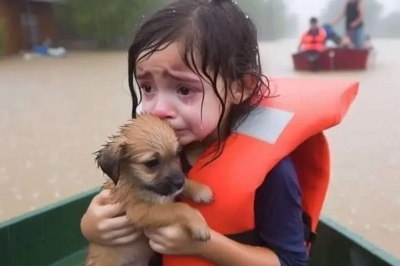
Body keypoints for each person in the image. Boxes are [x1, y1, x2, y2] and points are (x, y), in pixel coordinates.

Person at [80, 1, 358, 266]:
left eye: (184, 90)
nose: (159, 109)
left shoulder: (274, 174)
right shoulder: (154, 145)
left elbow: (292, 261)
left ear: (240, 87)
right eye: (148, 88)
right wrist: (92, 226)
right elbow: (122, 201)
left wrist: (204, 244)